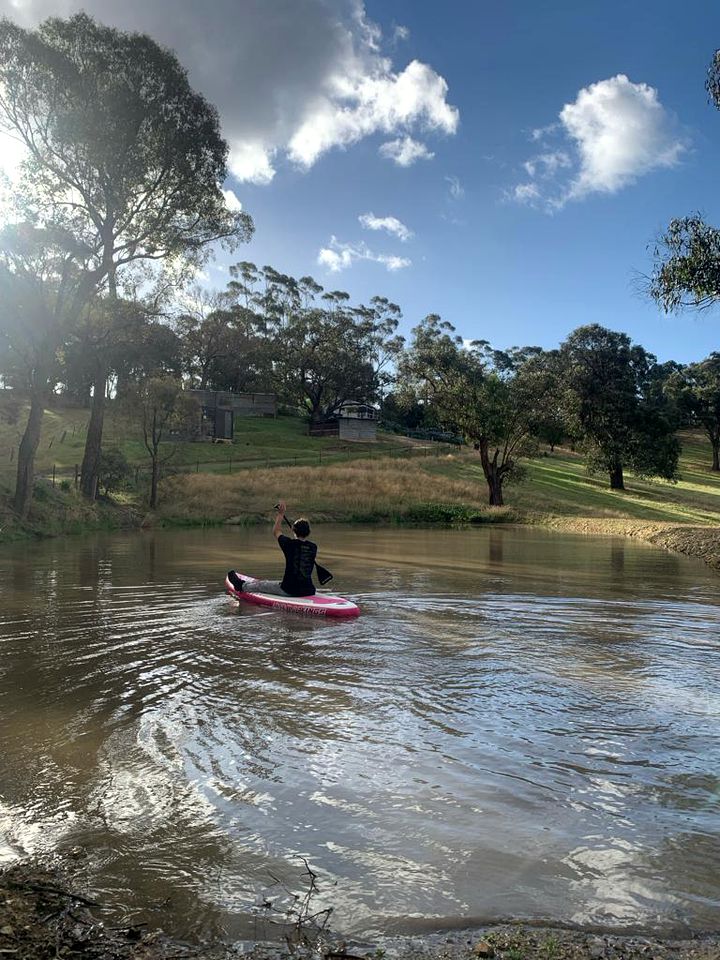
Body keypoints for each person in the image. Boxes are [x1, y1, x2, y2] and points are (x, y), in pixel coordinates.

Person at [228, 500, 317, 597]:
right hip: (309, 590)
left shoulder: (289, 544)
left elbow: (276, 531)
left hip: (289, 590)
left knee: (262, 585)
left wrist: (281, 514)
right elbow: (301, 550)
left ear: (293, 530)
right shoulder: (313, 547)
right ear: (308, 532)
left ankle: (240, 585)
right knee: (280, 582)